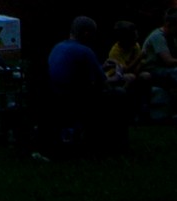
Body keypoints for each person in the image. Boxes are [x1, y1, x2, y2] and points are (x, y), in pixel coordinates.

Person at [48, 16, 128, 152]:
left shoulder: (58, 46)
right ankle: (115, 142)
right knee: (119, 94)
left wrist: (101, 68)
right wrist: (119, 76)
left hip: (56, 96)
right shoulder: (85, 51)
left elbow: (76, 74)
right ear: (86, 33)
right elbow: (103, 83)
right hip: (75, 99)